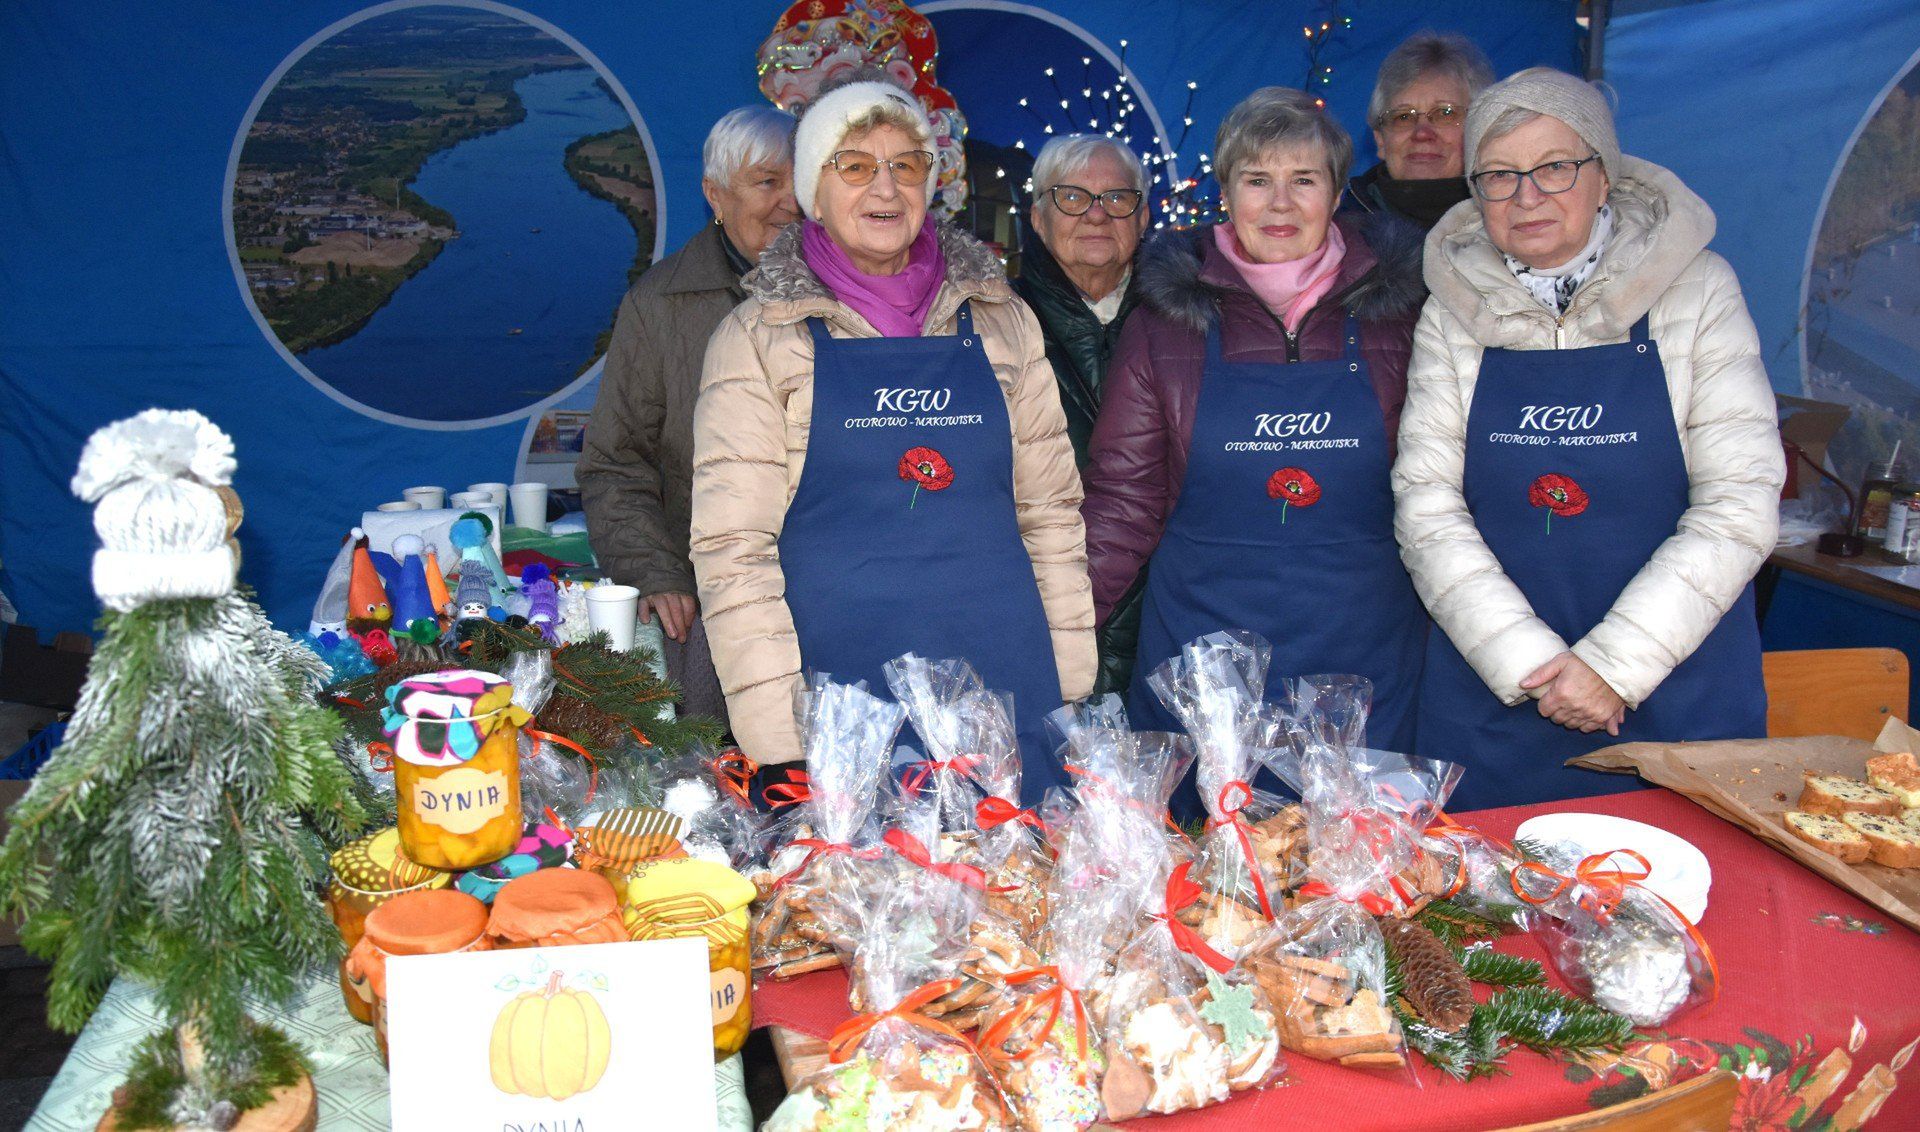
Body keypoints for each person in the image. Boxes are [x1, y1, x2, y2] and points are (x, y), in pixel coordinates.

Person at [690, 80, 1095, 796]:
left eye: (906, 165)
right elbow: (732, 548)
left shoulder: (1004, 321)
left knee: (1014, 896)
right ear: (814, 189)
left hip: (1004, 680)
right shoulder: (756, 338)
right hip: (841, 697)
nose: (885, 186)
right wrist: (779, 733)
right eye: (854, 165)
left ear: (929, 186)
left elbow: (1051, 512)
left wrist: (1068, 674)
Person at [1395, 68, 1783, 809]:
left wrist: (1613, 666)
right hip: (1500, 695)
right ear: (1475, 193)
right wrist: (1534, 664)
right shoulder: (1449, 312)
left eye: (1555, 167)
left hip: (1674, 693)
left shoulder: (1697, 291)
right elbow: (1426, 504)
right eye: (1500, 175)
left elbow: (1740, 503)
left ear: (1603, 177)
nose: (1527, 195)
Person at [1081, 87, 1426, 815]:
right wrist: (1060, 632)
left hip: (1364, 652)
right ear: (1224, 191)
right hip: (1202, 658)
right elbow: (1124, 500)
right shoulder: (1165, 324)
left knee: (1361, 866)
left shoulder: (1403, 315)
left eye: (1303, 180)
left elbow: (1442, 490)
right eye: (1257, 179)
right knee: (1214, 874)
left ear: (1337, 193)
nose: (1280, 204)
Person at [577, 106, 798, 727]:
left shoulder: (854, 295)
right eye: (766, 183)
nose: (790, 204)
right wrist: (653, 571)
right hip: (709, 595)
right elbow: (615, 462)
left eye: (800, 183)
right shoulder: (660, 303)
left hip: (827, 588)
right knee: (716, 770)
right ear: (714, 196)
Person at [1015, 133, 1150, 695]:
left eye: (1117, 198)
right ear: (1039, 218)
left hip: (1165, 632)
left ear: (1142, 219)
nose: (1096, 215)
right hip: (1043, 624)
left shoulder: (1187, 322)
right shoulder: (994, 326)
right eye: (1072, 197)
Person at [1344, 31, 1494, 230]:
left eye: (1445, 113)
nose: (1422, 134)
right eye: (1403, 117)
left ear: (1480, 130)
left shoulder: (1516, 224)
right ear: (1380, 140)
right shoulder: (1340, 239)